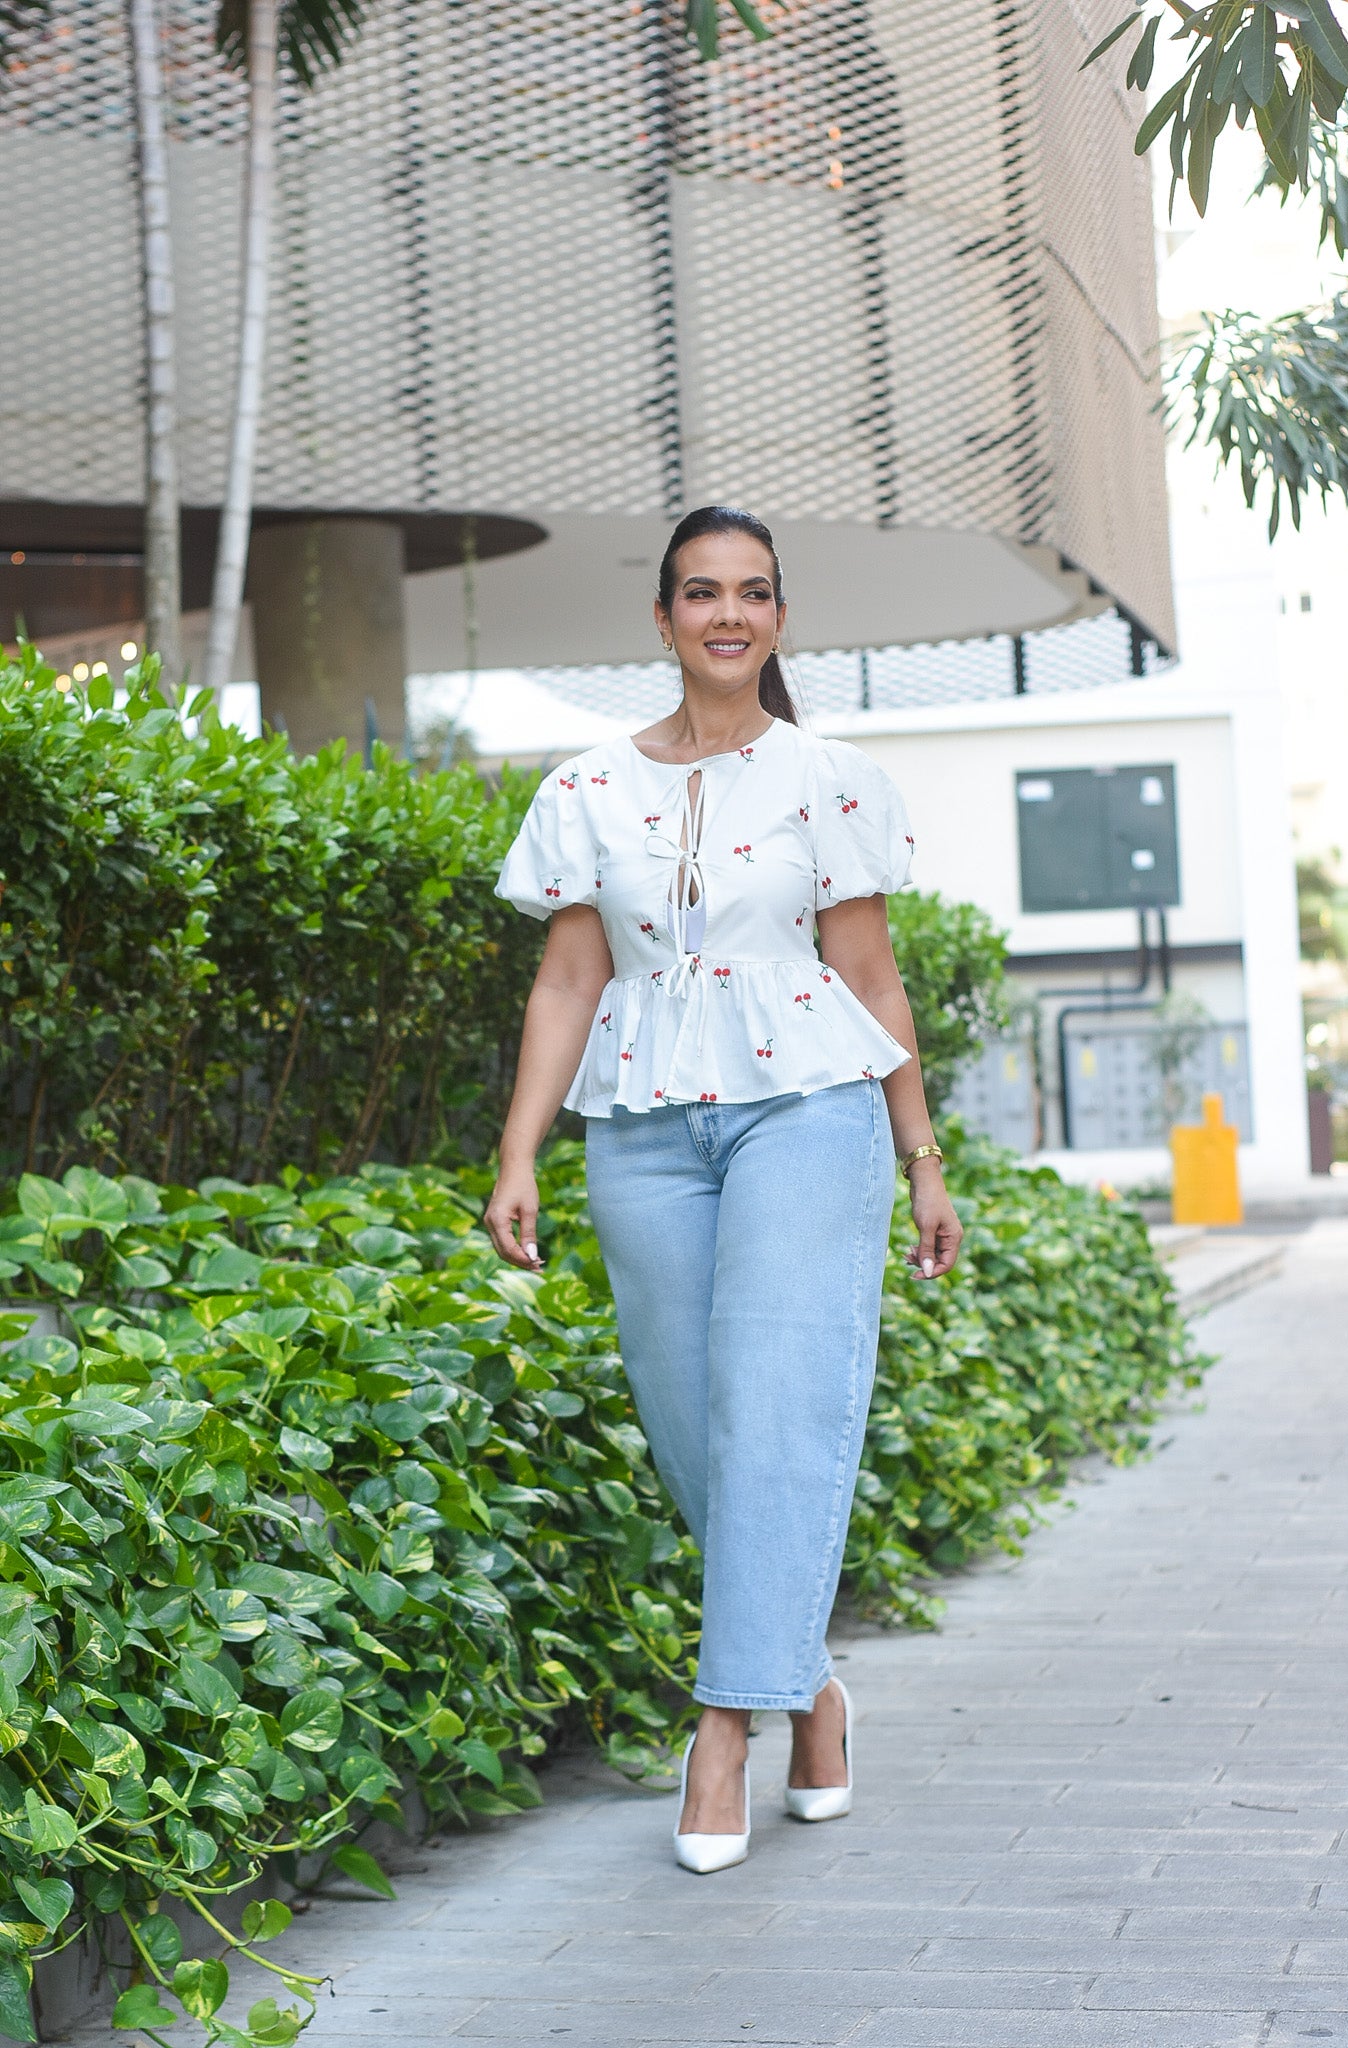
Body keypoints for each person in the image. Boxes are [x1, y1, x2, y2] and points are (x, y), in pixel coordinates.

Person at [485, 505, 963, 1872]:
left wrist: (921, 1161)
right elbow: (570, 976)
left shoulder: (833, 776)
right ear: (662, 618)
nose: (728, 614)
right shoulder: (583, 788)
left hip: (807, 1113)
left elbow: (871, 980)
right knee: (697, 1431)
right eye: (702, 593)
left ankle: (724, 1728)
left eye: (752, 592)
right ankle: (812, 1693)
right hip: (639, 1125)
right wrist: (519, 1149)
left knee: (775, 1408)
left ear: (778, 615)